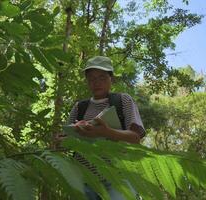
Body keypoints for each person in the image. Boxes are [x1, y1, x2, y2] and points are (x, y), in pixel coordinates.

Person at [63, 56, 146, 200]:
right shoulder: (79, 107)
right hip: (84, 178)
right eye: (92, 79)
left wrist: (107, 132)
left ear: (111, 79)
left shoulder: (122, 101)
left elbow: (135, 137)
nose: (96, 83)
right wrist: (62, 140)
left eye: (101, 77)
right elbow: (68, 140)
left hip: (118, 177)